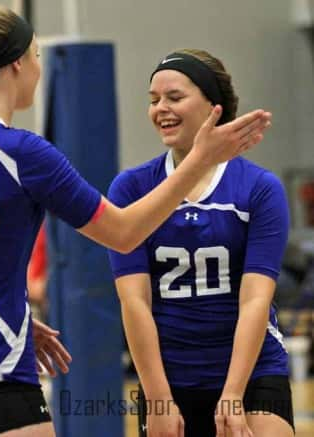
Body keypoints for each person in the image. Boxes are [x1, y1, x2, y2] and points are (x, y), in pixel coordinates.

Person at [0, 4, 271, 436]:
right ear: (17, 64)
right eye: (35, 56)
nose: (38, 67)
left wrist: (3, 313)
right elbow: (124, 234)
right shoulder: (22, 153)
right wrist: (202, 158)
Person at [107, 49, 293, 437]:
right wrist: (158, 399)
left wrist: (233, 394)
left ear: (214, 107)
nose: (161, 109)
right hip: (169, 374)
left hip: (251, 370)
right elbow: (134, 300)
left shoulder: (258, 188)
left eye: (174, 97)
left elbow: (256, 299)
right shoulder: (132, 188)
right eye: (153, 100)